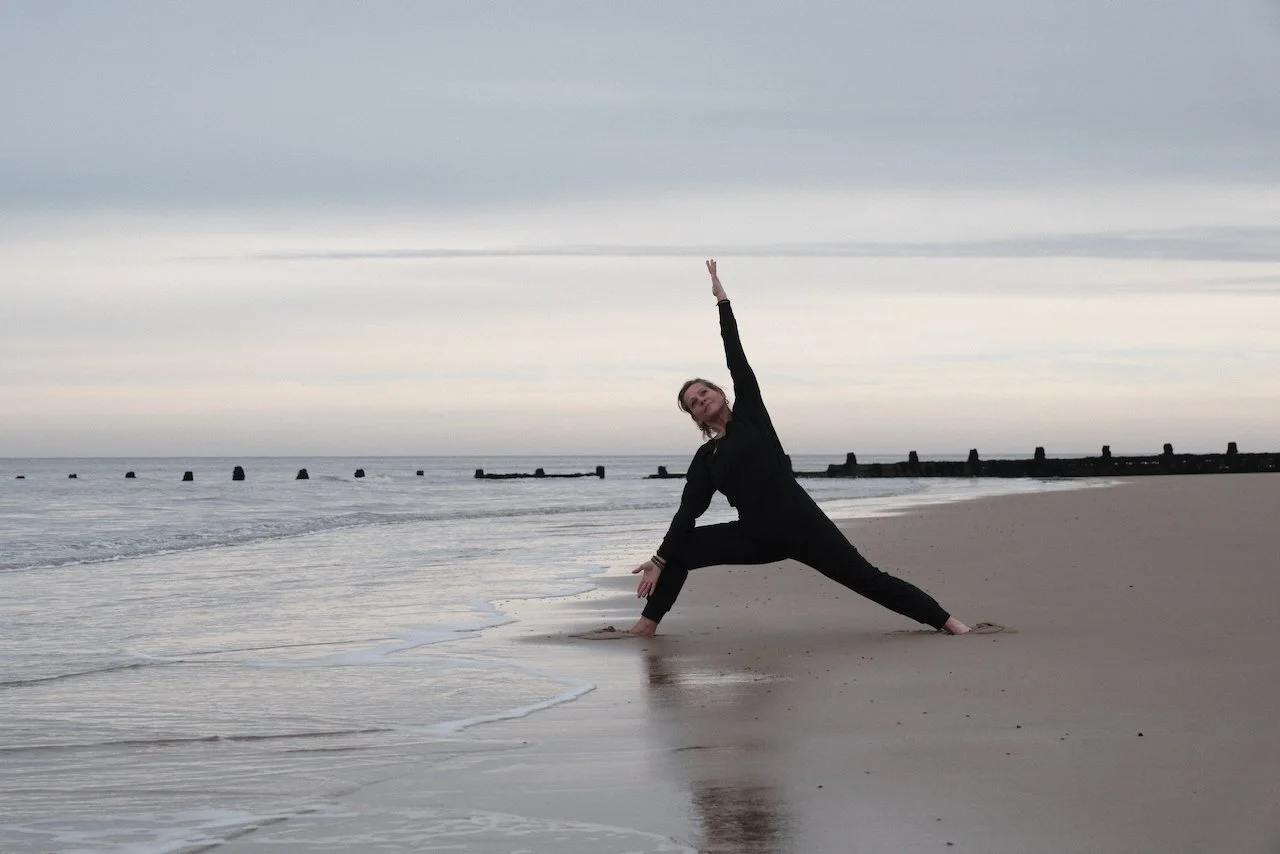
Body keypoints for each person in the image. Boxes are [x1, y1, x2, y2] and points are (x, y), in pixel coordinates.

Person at [626, 260, 972, 637]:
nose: (701, 400)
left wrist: (722, 302)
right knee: (680, 549)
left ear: (721, 394)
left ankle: (949, 623)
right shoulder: (707, 458)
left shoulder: (751, 418)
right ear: (695, 418)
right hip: (755, 536)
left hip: (805, 526)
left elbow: (736, 357)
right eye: (693, 402)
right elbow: (687, 512)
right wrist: (660, 558)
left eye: (704, 392)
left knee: (868, 579)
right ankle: (646, 625)